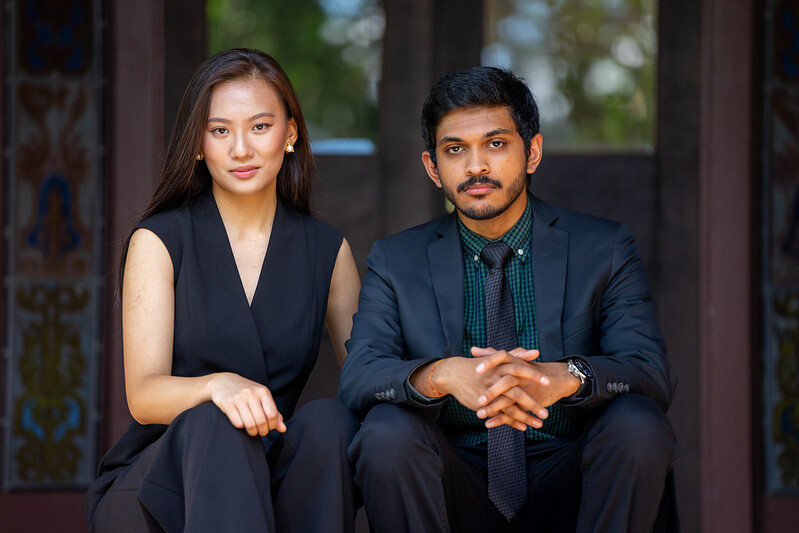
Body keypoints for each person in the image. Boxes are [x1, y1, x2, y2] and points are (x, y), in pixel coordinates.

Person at [338, 66, 678, 532]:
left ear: (532, 152)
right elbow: (358, 377)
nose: (476, 166)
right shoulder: (396, 259)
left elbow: (650, 372)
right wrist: (442, 374)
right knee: (384, 432)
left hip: (574, 480)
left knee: (638, 422)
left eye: (495, 144)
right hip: (449, 483)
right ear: (433, 168)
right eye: (455, 150)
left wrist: (566, 377)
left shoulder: (605, 248)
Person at [86, 48, 362, 533]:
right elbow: (144, 397)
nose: (241, 149)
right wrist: (218, 386)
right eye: (219, 131)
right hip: (164, 487)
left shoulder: (327, 250)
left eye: (259, 127)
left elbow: (366, 378)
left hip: (273, 479)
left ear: (290, 133)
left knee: (329, 423)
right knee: (217, 422)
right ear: (198, 144)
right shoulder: (160, 240)